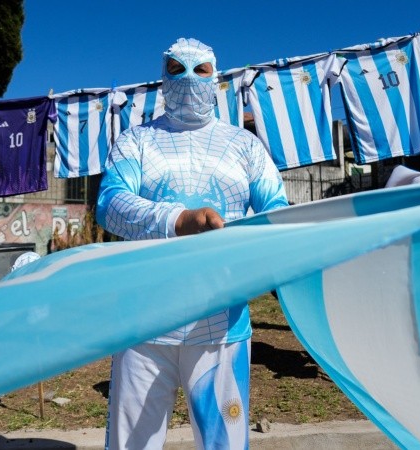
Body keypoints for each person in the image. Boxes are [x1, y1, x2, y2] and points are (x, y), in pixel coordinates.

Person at [96, 37, 289, 450]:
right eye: (175, 69)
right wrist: (179, 220)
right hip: (142, 328)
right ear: (161, 79)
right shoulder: (136, 142)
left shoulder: (246, 147)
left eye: (200, 70)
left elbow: (277, 213)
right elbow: (109, 203)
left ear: (215, 77)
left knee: (225, 445)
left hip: (222, 327)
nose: (187, 79)